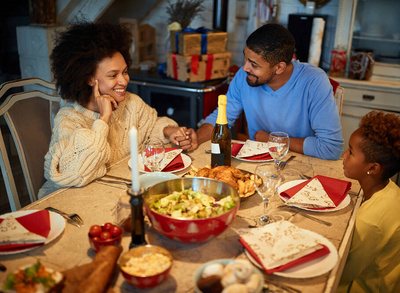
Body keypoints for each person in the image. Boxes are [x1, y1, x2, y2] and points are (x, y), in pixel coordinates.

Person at [38, 22, 198, 198]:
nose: (124, 81)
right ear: (90, 79)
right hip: (72, 201)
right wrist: (104, 118)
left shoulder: (131, 103)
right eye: (113, 75)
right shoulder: (69, 119)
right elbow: (76, 173)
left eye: (125, 72)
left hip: (116, 192)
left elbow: (151, 126)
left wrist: (169, 130)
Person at [196, 23, 343, 160]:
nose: (245, 67)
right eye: (245, 58)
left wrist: (272, 140)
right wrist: (195, 139)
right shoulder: (244, 76)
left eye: (253, 64)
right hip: (258, 162)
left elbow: (331, 147)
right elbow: (221, 117)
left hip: (302, 166)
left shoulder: (314, 81)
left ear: (279, 68)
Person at [336, 110, 400, 293]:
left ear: (373, 168)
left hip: (378, 292)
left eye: (350, 152)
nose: (343, 155)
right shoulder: (389, 189)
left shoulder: (371, 220)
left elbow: (342, 272)